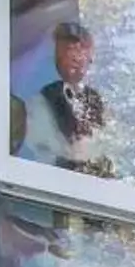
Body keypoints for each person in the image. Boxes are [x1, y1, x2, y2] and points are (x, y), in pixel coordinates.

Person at [21, 20, 109, 175]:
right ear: (57, 57)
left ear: (90, 57)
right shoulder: (41, 101)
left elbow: (108, 147)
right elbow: (41, 151)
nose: (74, 56)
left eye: (80, 49)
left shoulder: (99, 103)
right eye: (68, 49)